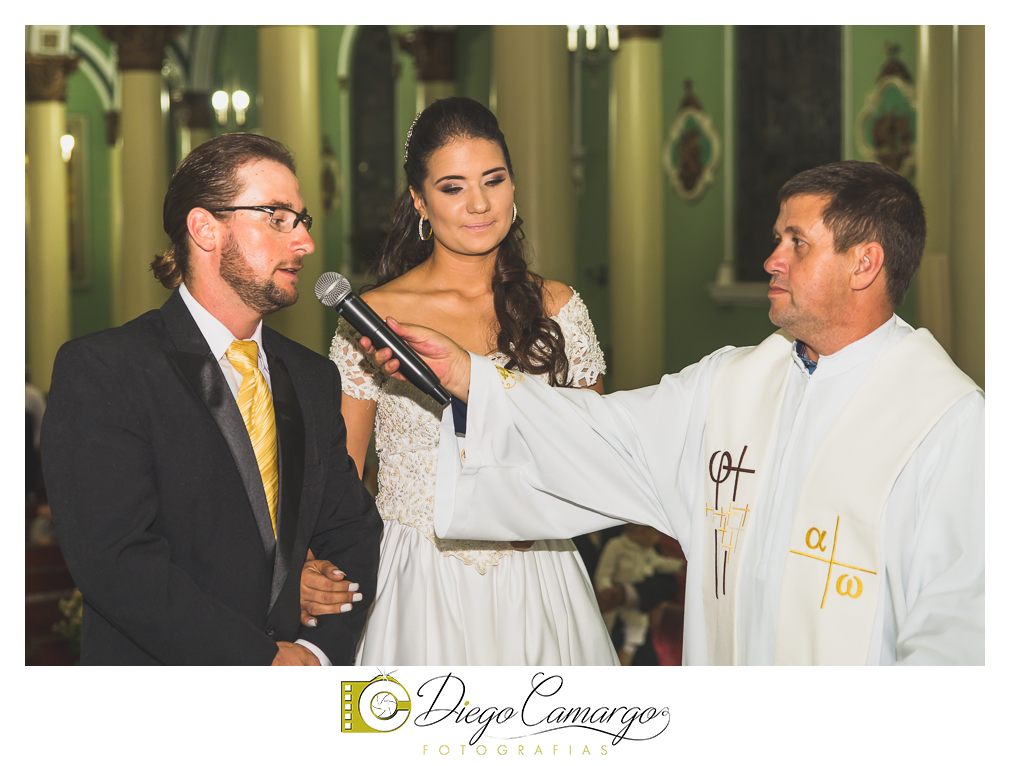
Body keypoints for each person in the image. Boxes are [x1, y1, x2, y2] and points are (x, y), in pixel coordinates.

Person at [361, 161, 984, 665]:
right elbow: (607, 435)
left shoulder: (945, 422)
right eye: (777, 240)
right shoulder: (733, 383)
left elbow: (958, 633)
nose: (772, 259)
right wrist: (467, 373)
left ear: (865, 264)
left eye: (797, 243)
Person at [41, 133, 382, 665]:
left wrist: (316, 652)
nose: (304, 243)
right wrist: (259, 660)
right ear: (204, 228)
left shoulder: (312, 376)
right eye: (276, 217)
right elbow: (117, 560)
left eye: (302, 220)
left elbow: (351, 531)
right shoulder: (107, 370)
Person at [303, 97, 617, 665]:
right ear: (420, 201)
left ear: (514, 188)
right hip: (414, 578)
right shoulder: (375, 317)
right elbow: (342, 481)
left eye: (493, 180)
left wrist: (542, 509)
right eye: (452, 188)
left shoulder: (559, 307)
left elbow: (592, 453)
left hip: (537, 572)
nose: (478, 203)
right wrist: (312, 566)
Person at [594, 524, 684, 665]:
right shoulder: (616, 545)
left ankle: (626, 657)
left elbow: (659, 563)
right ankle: (602, 655)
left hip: (635, 602)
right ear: (641, 531)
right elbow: (604, 572)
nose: (658, 538)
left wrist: (680, 566)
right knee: (604, 626)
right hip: (612, 597)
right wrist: (606, 588)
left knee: (638, 625)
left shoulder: (647, 550)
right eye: (656, 534)